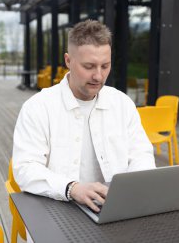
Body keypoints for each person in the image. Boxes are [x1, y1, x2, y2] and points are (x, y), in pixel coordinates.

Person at [12, 19, 155, 222]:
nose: (98, 76)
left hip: (117, 211)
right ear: (68, 61)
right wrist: (71, 188)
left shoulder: (122, 103)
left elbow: (141, 154)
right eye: (89, 66)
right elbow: (25, 168)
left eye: (105, 66)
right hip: (57, 209)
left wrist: (133, 187)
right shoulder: (38, 107)